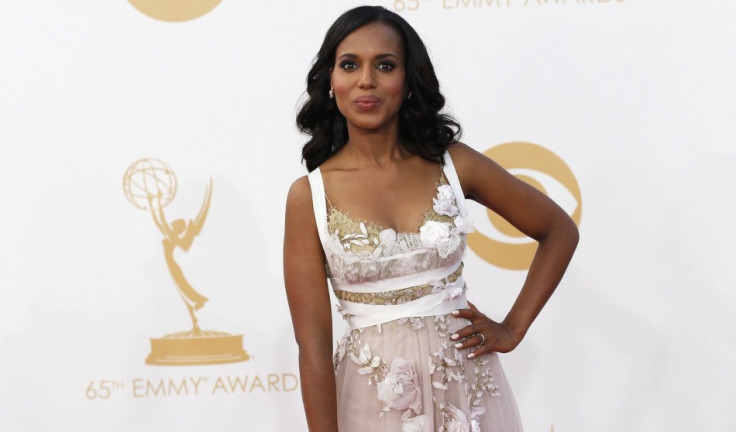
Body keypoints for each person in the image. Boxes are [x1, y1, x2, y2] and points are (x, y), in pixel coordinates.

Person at [283, 6, 578, 431]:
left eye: (385, 65)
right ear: (331, 80)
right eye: (350, 65)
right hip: (372, 403)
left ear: (408, 82)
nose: (366, 80)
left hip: (469, 393)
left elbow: (558, 230)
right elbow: (312, 345)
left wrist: (513, 328)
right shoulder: (308, 196)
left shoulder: (455, 165)